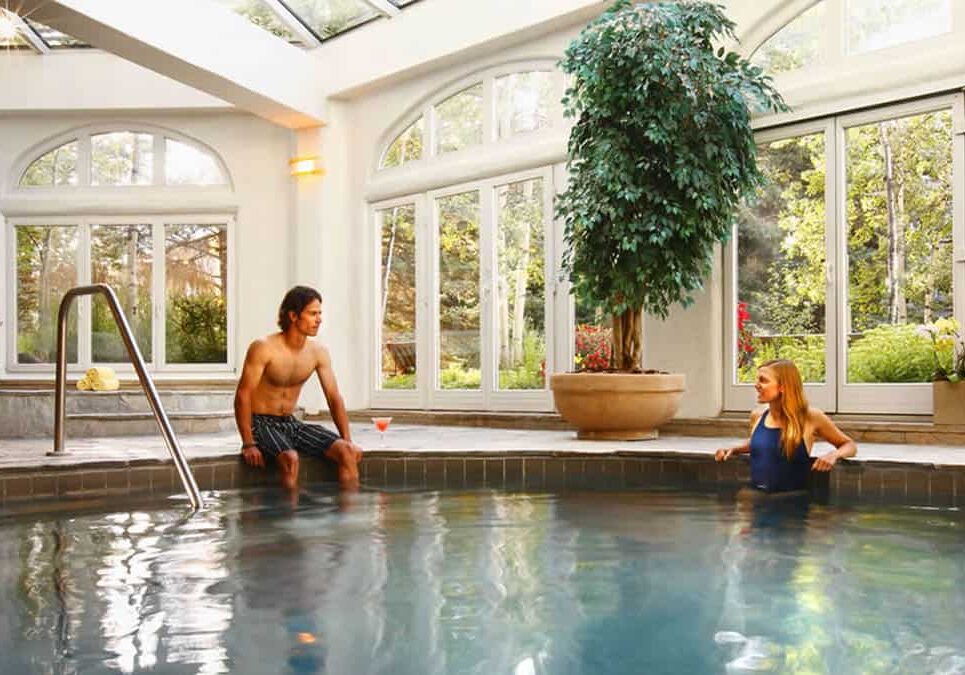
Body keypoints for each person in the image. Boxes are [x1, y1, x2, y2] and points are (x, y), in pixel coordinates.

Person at [235, 285, 363, 490]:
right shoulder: (263, 347)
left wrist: (347, 440)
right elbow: (243, 394)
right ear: (293, 315)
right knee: (290, 458)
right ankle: (289, 518)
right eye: (313, 314)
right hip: (261, 423)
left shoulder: (318, 352)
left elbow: (334, 397)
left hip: (291, 423)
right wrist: (248, 443)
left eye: (320, 313)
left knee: (347, 452)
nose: (319, 319)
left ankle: (349, 516)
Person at [715, 359, 856, 493]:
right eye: (757, 379)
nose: (756, 385)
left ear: (783, 386)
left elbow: (849, 445)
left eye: (763, 380)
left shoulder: (810, 417)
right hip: (759, 500)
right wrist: (733, 449)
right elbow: (762, 444)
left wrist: (833, 455)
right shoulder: (757, 415)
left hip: (791, 504)